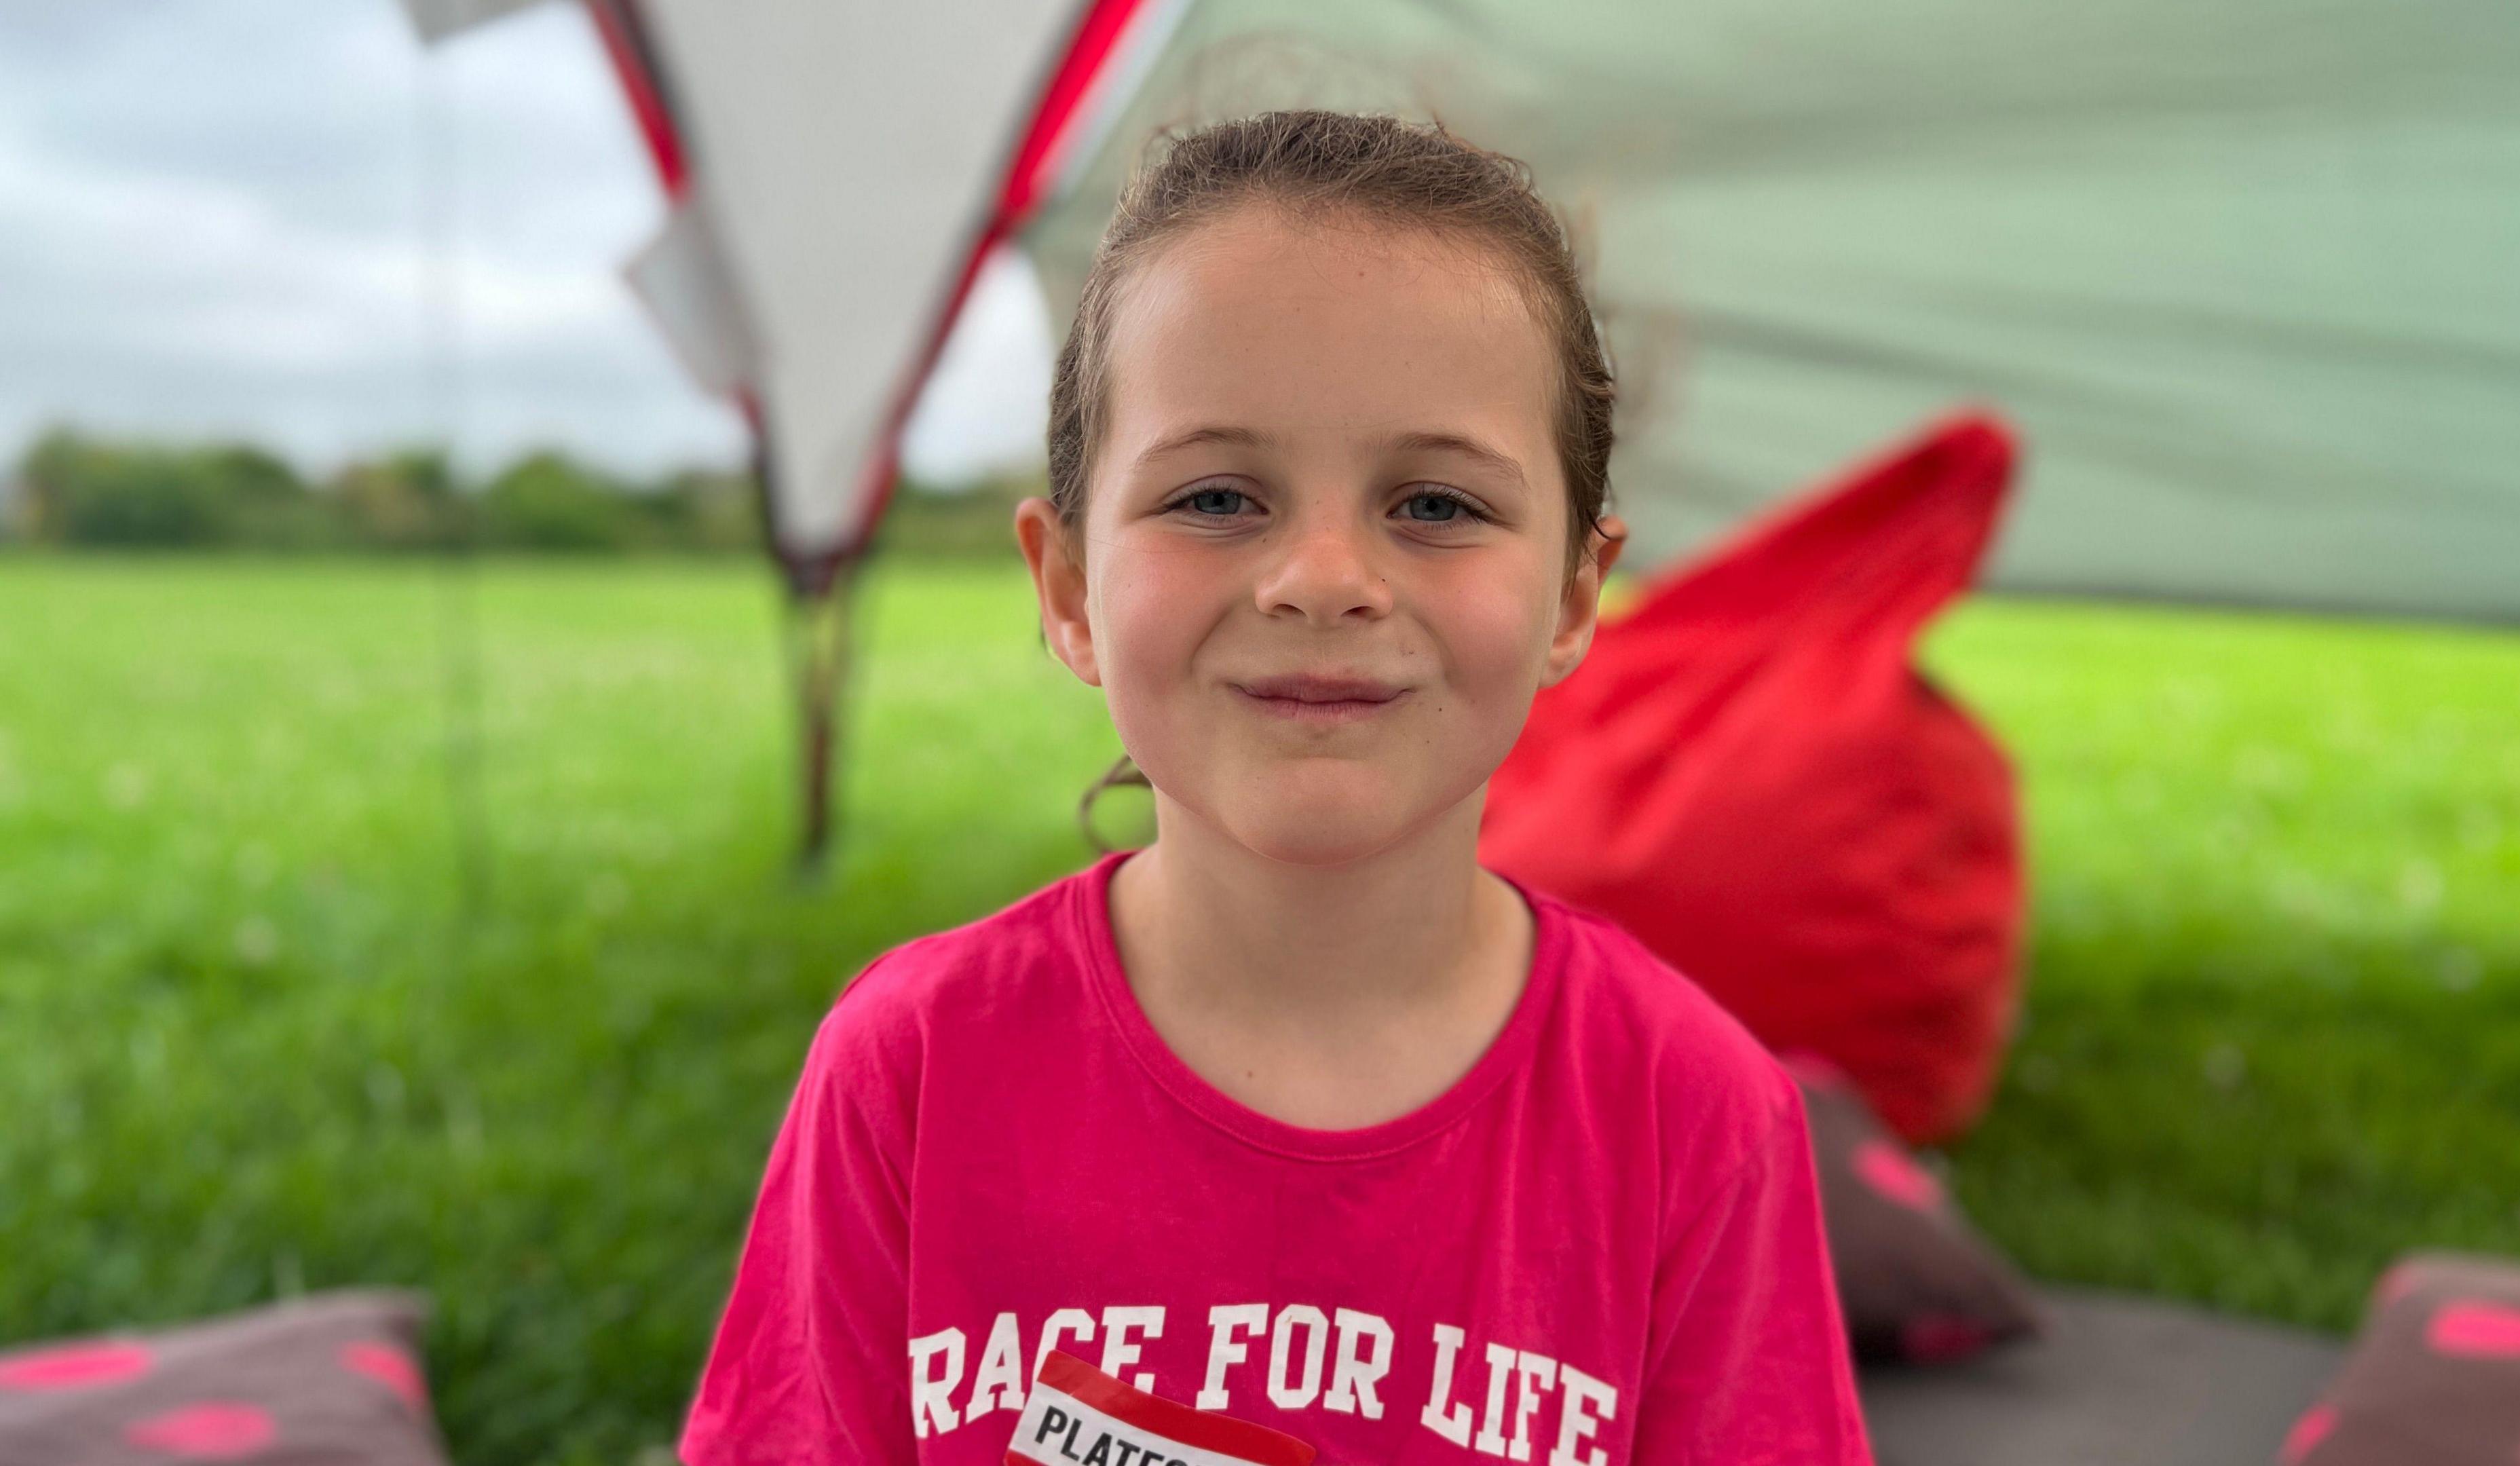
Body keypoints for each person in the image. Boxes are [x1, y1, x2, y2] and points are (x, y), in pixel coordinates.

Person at [677, 109, 1873, 1466]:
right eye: (1215, 498)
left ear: (1573, 594)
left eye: (1433, 504)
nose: (1320, 576)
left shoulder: (1694, 1114)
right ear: (1068, 587)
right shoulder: (908, 1072)